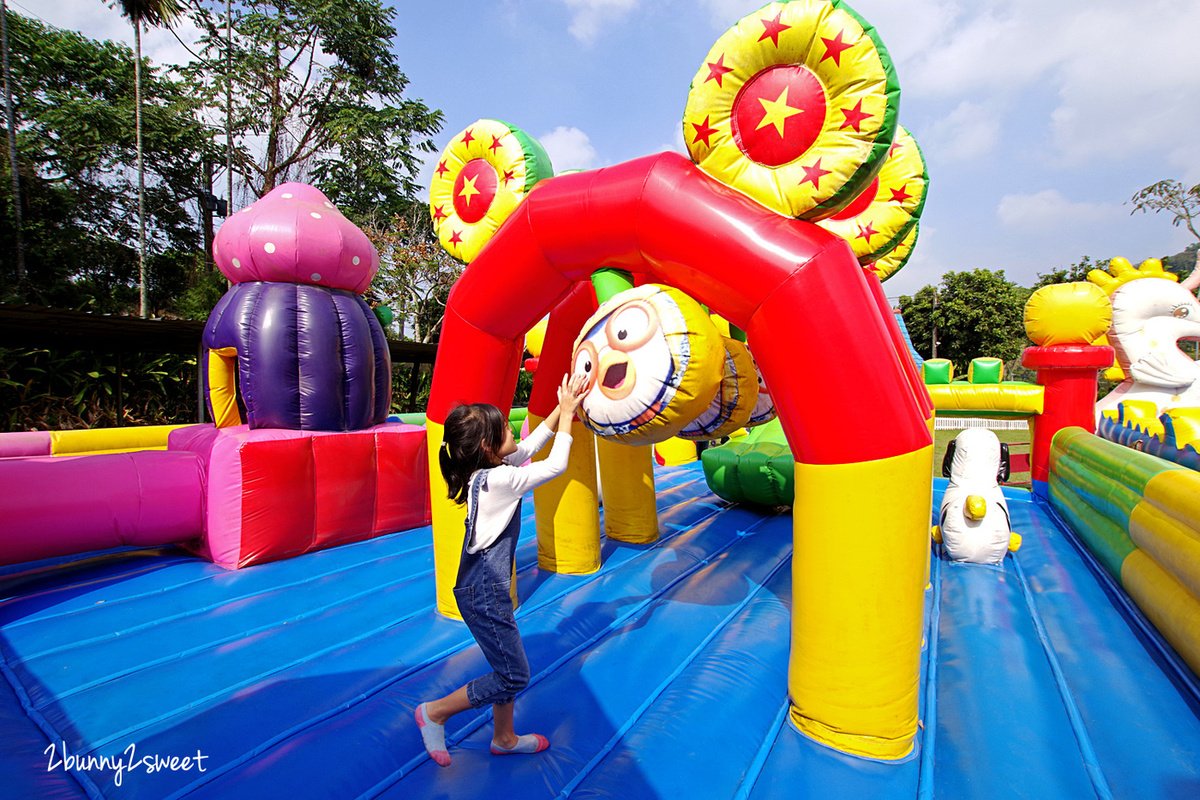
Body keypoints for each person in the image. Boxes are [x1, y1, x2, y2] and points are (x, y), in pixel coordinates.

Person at [415, 373, 589, 767]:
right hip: (485, 592)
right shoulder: (502, 479)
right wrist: (567, 419)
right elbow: (556, 464)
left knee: (504, 663)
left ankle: (505, 737)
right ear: (487, 446)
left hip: (479, 588)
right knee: (514, 676)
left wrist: (561, 410)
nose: (514, 432)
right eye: (506, 429)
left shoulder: (485, 472)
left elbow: (527, 446)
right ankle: (435, 712)